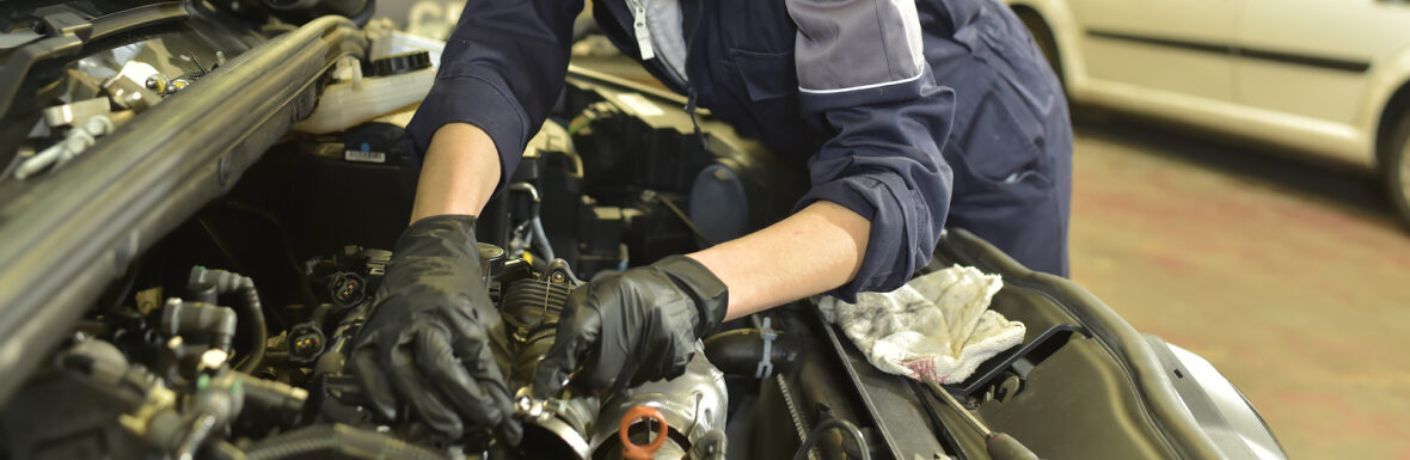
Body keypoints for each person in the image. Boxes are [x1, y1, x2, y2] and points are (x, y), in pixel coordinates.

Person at [348, 0, 1072, 445]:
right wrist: (437, 235)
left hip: (977, 147)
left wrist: (693, 288)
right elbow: (503, 45)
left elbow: (891, 173)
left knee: (990, 395)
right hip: (813, 137)